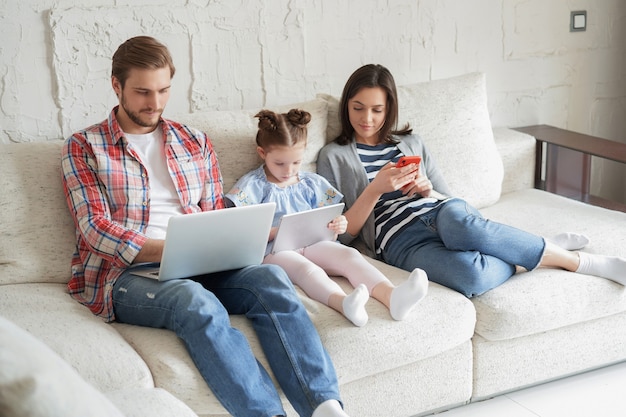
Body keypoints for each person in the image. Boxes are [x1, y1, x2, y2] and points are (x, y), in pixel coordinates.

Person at [61, 35, 351, 417]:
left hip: (204, 261)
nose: (155, 103)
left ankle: (324, 405)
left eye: (164, 90)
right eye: (143, 92)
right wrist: (171, 249)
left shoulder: (194, 140)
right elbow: (94, 229)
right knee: (194, 302)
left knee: (272, 282)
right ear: (117, 86)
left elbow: (216, 212)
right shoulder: (84, 147)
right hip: (128, 274)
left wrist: (221, 243)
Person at [317, 63, 626, 297]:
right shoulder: (333, 156)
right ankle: (534, 249)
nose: (366, 118)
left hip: (440, 215)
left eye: (376, 110)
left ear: (390, 110)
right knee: (471, 278)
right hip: (398, 242)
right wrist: (375, 189)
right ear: (347, 106)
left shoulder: (411, 143)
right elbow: (341, 235)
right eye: (358, 108)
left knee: (461, 226)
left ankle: (583, 263)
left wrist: (426, 189)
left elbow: (450, 197)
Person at [226, 109, 428, 327]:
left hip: (314, 243)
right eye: (280, 163)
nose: (288, 171)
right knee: (307, 270)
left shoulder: (311, 183)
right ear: (262, 153)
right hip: (275, 252)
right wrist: (279, 231)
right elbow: (241, 233)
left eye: (296, 163)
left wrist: (339, 224)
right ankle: (343, 303)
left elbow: (334, 216)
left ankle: (393, 296)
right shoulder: (252, 186)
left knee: (349, 255)